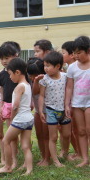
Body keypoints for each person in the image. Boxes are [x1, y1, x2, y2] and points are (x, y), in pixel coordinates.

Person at [0, 58, 34, 175]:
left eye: (10, 74)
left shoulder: (19, 87)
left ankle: (7, 166)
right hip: (29, 119)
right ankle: (29, 170)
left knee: (6, 140)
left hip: (20, 119)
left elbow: (15, 105)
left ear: (17, 72)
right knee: (26, 146)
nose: (10, 77)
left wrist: (12, 118)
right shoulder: (27, 84)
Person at [38, 51, 71, 167]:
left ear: (57, 66)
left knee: (66, 134)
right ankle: (55, 160)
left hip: (64, 111)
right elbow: (41, 95)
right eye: (44, 65)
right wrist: (41, 110)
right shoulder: (44, 80)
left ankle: (65, 153)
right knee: (53, 137)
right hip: (51, 111)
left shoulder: (65, 77)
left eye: (48, 66)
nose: (45, 68)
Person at [65, 36, 90, 167]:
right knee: (80, 131)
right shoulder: (72, 68)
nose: (76, 56)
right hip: (77, 103)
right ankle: (85, 159)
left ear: (88, 51)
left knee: (89, 129)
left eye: (79, 52)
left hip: (89, 103)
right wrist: (67, 104)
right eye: (74, 53)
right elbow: (69, 87)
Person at [0, 42, 20, 168]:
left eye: (7, 58)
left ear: (15, 56)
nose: (4, 61)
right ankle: (14, 157)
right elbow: (1, 92)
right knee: (11, 133)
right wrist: (1, 105)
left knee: (21, 132)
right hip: (8, 106)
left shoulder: (20, 72)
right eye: (2, 58)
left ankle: (20, 153)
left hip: (20, 106)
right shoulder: (1, 75)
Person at [27, 57, 50, 166]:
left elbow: (36, 91)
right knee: (39, 135)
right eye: (30, 75)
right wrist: (35, 80)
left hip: (46, 111)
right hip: (38, 111)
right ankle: (43, 156)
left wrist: (36, 81)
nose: (32, 77)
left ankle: (47, 158)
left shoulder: (45, 81)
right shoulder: (32, 81)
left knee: (46, 136)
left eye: (34, 75)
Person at [61, 40, 80, 160]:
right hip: (70, 102)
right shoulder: (68, 68)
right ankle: (77, 152)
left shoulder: (75, 68)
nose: (61, 55)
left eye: (63, 53)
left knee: (78, 129)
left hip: (77, 102)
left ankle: (79, 152)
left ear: (72, 55)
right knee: (72, 129)